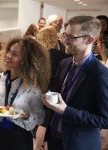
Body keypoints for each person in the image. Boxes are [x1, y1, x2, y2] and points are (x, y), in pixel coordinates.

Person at [42, 16, 108, 150]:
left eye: (71, 37)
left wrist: (66, 111)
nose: (64, 40)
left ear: (89, 39)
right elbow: (56, 99)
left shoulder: (100, 74)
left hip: (80, 144)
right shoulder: (64, 63)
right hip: (54, 140)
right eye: (65, 35)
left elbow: (104, 120)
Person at [0, 37, 50, 150]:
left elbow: (39, 117)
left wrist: (25, 116)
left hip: (20, 138)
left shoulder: (32, 87)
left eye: (14, 54)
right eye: (9, 51)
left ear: (25, 60)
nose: (8, 55)